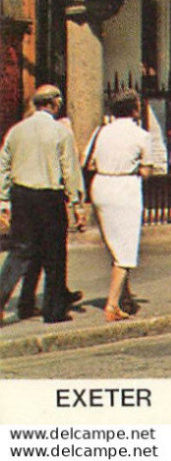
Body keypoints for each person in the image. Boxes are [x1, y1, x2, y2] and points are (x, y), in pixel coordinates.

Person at [0, 85, 86, 325]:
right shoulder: (60, 132)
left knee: (21, 251)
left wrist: (3, 199)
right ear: (55, 103)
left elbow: (3, 165)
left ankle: (8, 299)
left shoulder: (16, 131)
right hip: (49, 197)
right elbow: (70, 170)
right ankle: (54, 310)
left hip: (22, 195)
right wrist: (77, 204)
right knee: (54, 255)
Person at [85, 90, 163, 321]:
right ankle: (112, 305)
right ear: (134, 109)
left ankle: (124, 296)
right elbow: (147, 170)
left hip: (100, 185)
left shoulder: (100, 132)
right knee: (126, 248)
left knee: (114, 244)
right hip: (124, 187)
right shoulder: (141, 135)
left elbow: (87, 161)